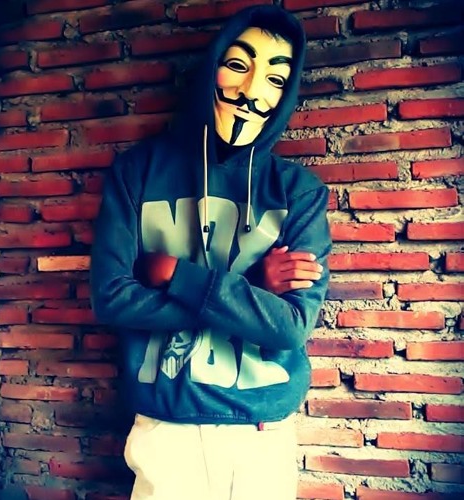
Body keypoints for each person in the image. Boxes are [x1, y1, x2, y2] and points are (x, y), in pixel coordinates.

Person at [90, 5, 331, 500]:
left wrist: (177, 275)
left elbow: (289, 327)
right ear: (212, 66)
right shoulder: (138, 172)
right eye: (238, 65)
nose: (251, 91)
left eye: (275, 79)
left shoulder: (298, 192)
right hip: (166, 426)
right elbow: (111, 298)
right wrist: (252, 291)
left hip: (261, 430)